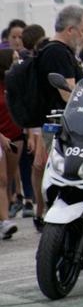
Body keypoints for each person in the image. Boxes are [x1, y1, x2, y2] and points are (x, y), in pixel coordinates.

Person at [30, 6, 83, 227]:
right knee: (51, 168)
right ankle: (47, 213)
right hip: (57, 123)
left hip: (58, 122)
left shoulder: (59, 51)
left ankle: (44, 213)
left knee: (44, 166)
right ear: (70, 30)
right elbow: (69, 95)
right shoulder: (57, 52)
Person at [0, 49, 21, 239]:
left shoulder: (15, 84)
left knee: (8, 179)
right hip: (1, 136)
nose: (17, 62)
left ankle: (3, 218)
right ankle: (4, 219)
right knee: (2, 178)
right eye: (14, 59)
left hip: (15, 135)